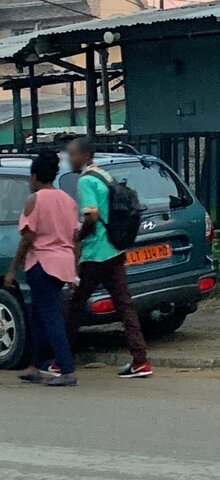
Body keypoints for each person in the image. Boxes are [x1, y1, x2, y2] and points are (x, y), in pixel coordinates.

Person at [65, 136, 153, 379]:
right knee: (125, 306)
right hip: (115, 249)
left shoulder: (85, 181)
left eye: (72, 154)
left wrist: (79, 236)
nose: (69, 159)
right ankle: (140, 360)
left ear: (84, 156)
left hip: (95, 253)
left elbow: (91, 217)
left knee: (75, 305)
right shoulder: (105, 175)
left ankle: (60, 358)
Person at [3, 149, 79, 387]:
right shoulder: (68, 200)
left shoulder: (34, 200)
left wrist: (12, 269)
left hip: (42, 263)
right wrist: (75, 268)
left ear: (35, 176)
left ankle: (67, 369)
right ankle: (37, 365)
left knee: (49, 317)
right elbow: (76, 237)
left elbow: (27, 237)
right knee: (38, 316)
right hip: (63, 262)